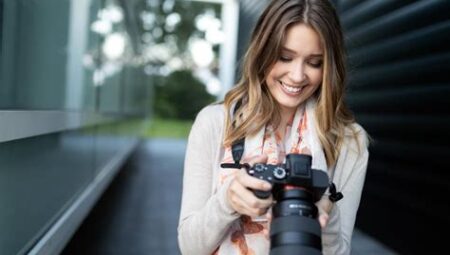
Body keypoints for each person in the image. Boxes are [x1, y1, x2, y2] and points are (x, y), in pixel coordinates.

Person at [178, 0, 369, 254]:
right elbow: (190, 248)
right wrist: (228, 201)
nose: (297, 75)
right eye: (284, 57)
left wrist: (327, 217)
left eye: (314, 62)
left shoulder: (349, 141)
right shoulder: (215, 123)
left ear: (329, 66)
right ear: (263, 51)